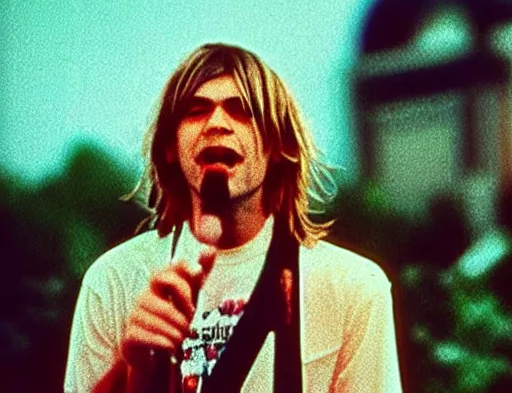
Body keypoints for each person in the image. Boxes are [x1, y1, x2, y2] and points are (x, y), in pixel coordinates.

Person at [64, 43, 402, 392]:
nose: (217, 123)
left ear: (278, 145)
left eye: (242, 110)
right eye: (196, 110)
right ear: (169, 148)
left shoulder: (353, 287)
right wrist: (134, 372)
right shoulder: (113, 282)